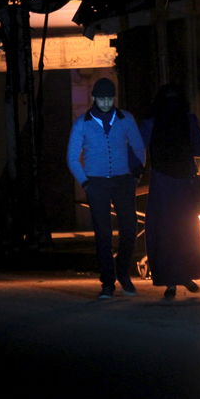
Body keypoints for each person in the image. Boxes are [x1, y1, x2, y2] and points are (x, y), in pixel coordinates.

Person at [67, 77, 146, 299]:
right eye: (101, 98)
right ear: (94, 98)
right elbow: (72, 158)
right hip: (97, 183)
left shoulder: (125, 119)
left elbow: (138, 147)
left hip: (123, 180)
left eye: (109, 98)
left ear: (114, 98)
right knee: (103, 234)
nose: (105, 102)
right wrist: (86, 182)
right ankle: (107, 283)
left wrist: (135, 174)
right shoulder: (82, 123)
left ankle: (123, 272)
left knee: (129, 229)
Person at [140, 83, 200, 300]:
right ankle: (187, 275)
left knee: (164, 232)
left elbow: (139, 148)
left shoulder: (151, 122)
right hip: (184, 185)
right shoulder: (188, 120)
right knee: (187, 231)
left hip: (162, 185)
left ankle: (170, 280)